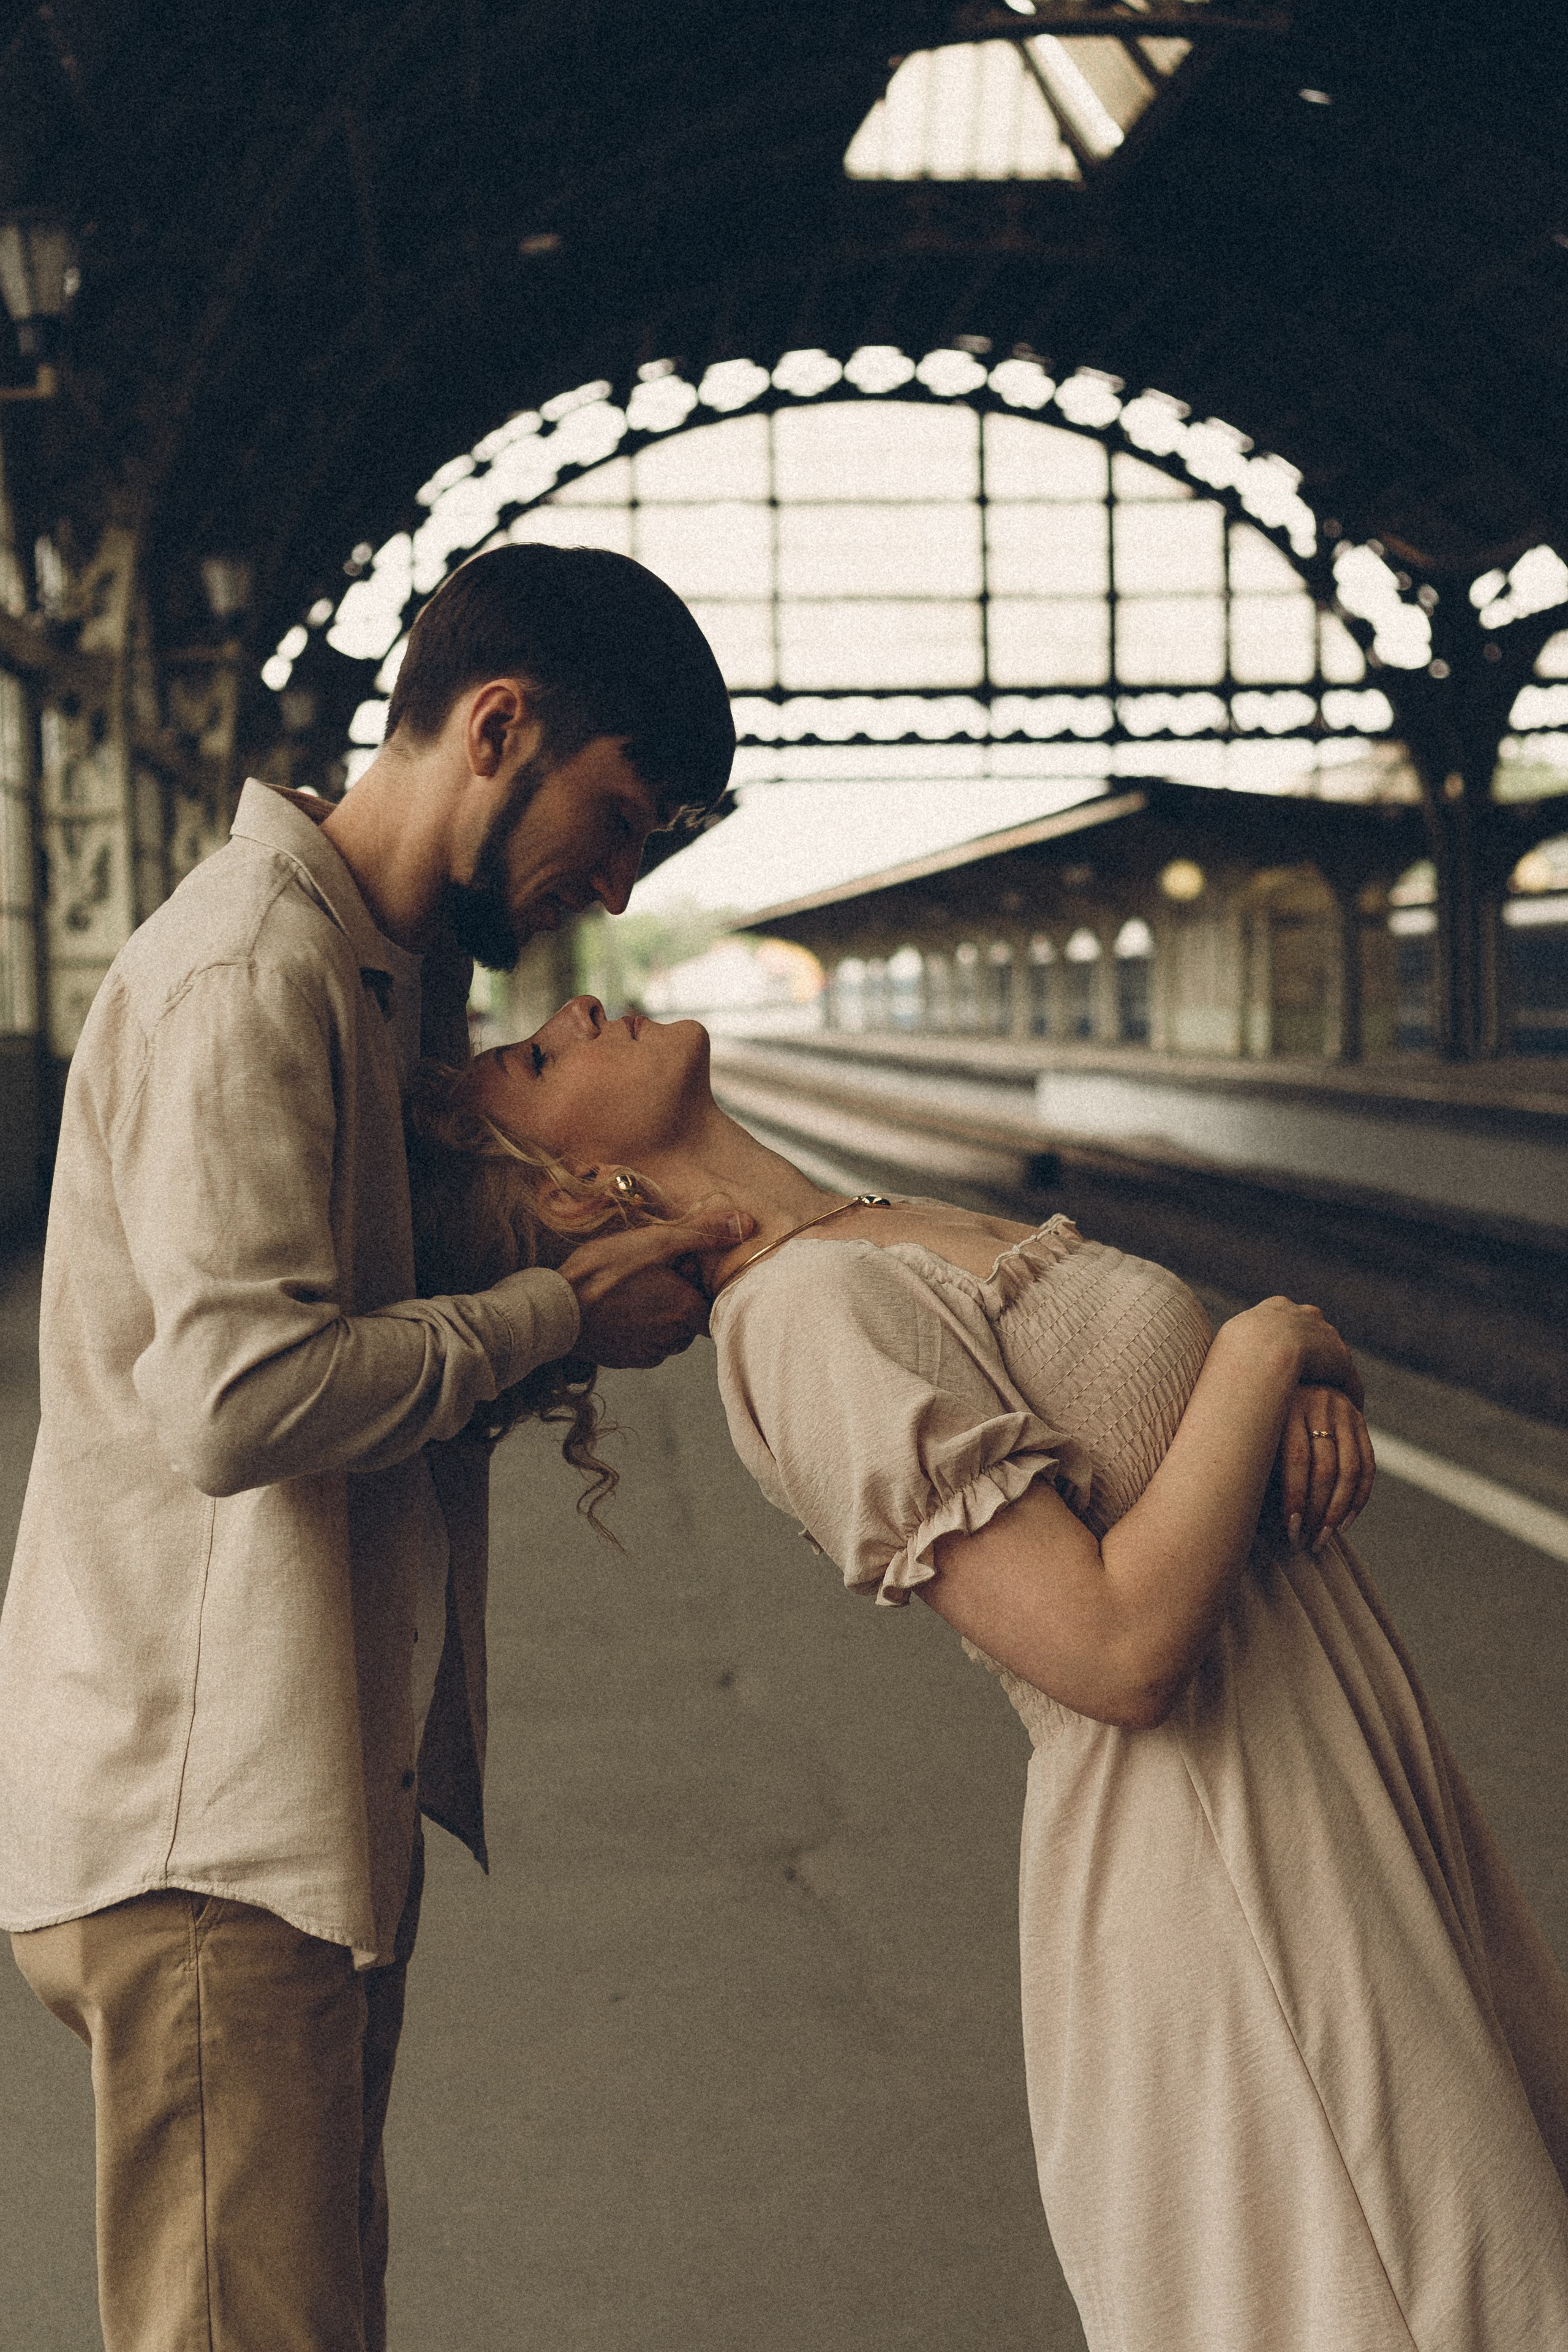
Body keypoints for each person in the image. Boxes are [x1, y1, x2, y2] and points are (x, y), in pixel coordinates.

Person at [408, 991, 1568, 2352]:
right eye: (536, 1058)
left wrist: (1290, 1382)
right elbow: (1114, 1652)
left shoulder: (860, 1229)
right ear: (573, 1185)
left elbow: (1159, 1438)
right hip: (1232, 1856)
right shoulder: (801, 1317)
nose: (572, 1007)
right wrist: (1267, 1346)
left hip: (1338, 1799)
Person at [0, 544, 755, 2352]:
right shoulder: (248, 973)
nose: (618, 884)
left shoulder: (381, 979)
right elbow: (238, 1402)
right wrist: (555, 1316)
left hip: (293, 1790)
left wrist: (553, 1266)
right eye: (619, 818)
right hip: (208, 1825)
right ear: (497, 728)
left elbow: (358, 1324)